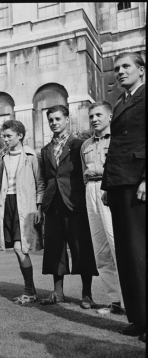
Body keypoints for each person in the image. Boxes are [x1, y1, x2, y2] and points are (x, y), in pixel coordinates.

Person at [101, 52, 146, 342]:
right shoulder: (120, 104)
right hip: (118, 183)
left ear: (141, 70)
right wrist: (106, 186)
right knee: (127, 255)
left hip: (137, 182)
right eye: (116, 69)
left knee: (140, 253)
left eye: (126, 66)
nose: (119, 72)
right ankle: (138, 319)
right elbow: (115, 146)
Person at [38, 105, 99, 308]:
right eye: (51, 120)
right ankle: (57, 293)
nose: (54, 123)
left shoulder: (80, 145)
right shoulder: (45, 150)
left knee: (81, 247)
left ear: (67, 120)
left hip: (75, 203)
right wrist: (41, 205)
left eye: (57, 119)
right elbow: (45, 179)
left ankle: (87, 295)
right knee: (55, 249)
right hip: (52, 203)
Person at [80, 101, 124, 315]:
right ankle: (115, 301)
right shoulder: (85, 145)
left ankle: (132, 300)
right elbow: (83, 173)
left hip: (111, 189)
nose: (94, 119)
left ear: (109, 116)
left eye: (99, 115)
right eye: (91, 116)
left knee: (118, 244)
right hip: (91, 190)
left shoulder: (118, 138)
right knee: (101, 250)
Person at [0, 120, 43, 305]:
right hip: (7, 204)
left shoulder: (32, 156)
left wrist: (39, 207)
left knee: (19, 247)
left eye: (9, 136)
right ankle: (30, 291)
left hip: (25, 205)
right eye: (4, 136)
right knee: (16, 247)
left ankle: (30, 291)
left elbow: (40, 183)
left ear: (20, 136)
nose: (5, 139)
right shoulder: (3, 158)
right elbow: (0, 184)